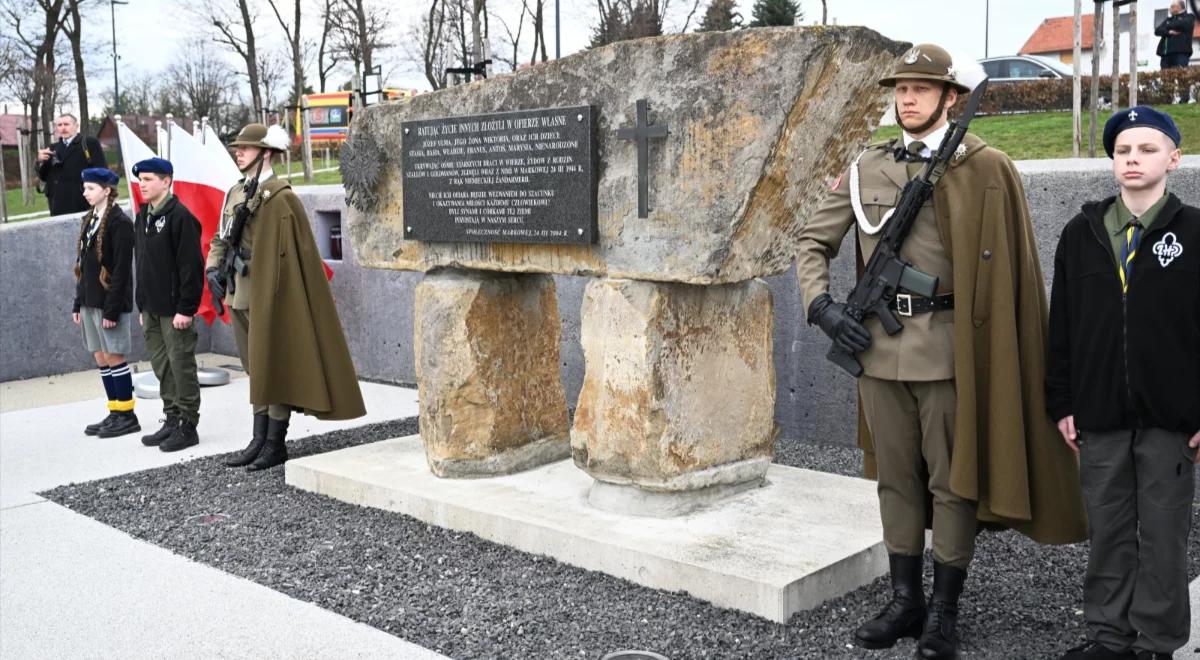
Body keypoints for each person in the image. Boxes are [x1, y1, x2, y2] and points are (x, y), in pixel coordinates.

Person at [794, 44, 1087, 660]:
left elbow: (1014, 270)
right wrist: (821, 308)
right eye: (900, 89)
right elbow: (811, 243)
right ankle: (907, 602)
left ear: (950, 98)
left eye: (921, 89)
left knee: (953, 482)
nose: (907, 98)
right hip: (875, 350)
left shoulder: (985, 167)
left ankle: (944, 613)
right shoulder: (866, 168)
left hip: (950, 350)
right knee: (895, 480)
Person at [1047, 107, 1198, 660]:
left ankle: (1156, 641)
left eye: (1147, 149)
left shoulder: (1195, 232)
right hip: (1100, 413)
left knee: (1163, 535)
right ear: (1112, 161)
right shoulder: (1080, 233)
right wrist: (1062, 401)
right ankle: (1109, 635)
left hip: (1170, 418)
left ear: (1173, 159)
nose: (1133, 159)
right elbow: (1061, 323)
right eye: (1123, 151)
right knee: (1108, 529)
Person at [208, 123, 365, 472]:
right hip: (239, 289)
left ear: (265, 153)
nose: (239, 152)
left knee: (273, 362)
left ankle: (275, 443)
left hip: (270, 292)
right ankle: (258, 438)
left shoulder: (282, 198)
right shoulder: (235, 192)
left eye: (246, 148)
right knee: (255, 366)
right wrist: (212, 269)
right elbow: (221, 236)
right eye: (238, 148)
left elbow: (292, 256)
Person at [132, 157, 204, 453]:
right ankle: (172, 417)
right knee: (162, 366)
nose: (142, 184)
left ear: (166, 181)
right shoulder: (143, 216)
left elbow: (191, 267)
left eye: (149, 179)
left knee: (180, 365)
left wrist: (186, 308)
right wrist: (142, 305)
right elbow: (144, 265)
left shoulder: (180, 217)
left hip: (175, 309)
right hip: (151, 308)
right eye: (141, 179)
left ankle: (188, 424)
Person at [73, 167, 138, 438]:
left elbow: (122, 271)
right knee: (100, 356)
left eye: (90, 188)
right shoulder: (91, 219)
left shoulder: (119, 222)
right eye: (85, 188)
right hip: (91, 300)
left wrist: (111, 309)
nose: (85, 192)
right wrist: (78, 303)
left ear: (107, 190)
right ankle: (114, 411)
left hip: (109, 303)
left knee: (114, 356)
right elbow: (83, 266)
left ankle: (127, 415)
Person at [36, 114, 107, 216]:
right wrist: (39, 161)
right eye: (59, 125)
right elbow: (43, 176)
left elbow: (102, 171)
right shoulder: (52, 148)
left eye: (66, 124)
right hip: (57, 206)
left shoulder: (89, 143)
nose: (63, 128)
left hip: (83, 203)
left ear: (76, 126)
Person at [1155, 0, 1195, 70]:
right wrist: (1169, 32)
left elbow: (1182, 24)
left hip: (1181, 53)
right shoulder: (1168, 19)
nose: (1170, 8)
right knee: (1165, 78)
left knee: (1181, 76)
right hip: (1166, 54)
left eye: (1171, 7)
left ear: (1178, 7)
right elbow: (1157, 31)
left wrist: (1167, 26)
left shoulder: (1189, 17)